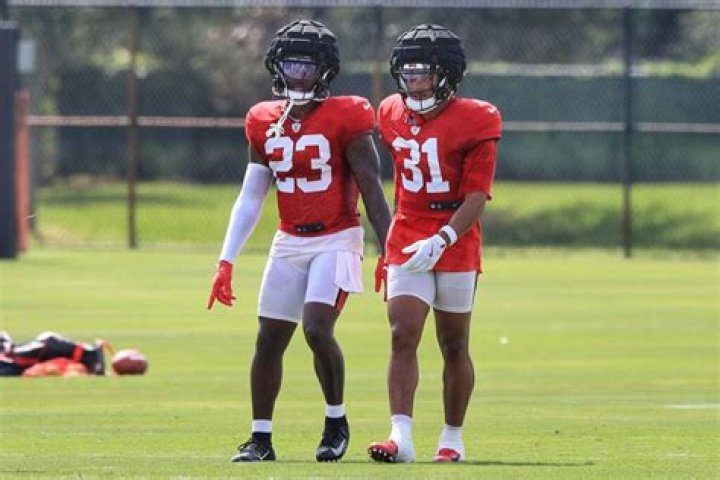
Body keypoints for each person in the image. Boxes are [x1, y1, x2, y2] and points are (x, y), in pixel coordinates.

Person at [207, 19, 391, 463]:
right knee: (269, 338)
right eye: (291, 64)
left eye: (307, 65)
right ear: (277, 67)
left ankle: (335, 422)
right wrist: (226, 260)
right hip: (288, 241)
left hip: (338, 237)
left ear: (325, 70)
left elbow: (372, 188)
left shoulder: (348, 114)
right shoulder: (262, 119)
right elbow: (251, 196)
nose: (299, 74)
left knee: (316, 328)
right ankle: (260, 438)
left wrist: (390, 250)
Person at [368, 24, 502, 463]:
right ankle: (400, 438)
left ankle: (452, 438)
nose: (413, 82)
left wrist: (443, 238)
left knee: (453, 343)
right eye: (407, 73)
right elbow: (400, 183)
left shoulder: (477, 118)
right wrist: (390, 243)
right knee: (402, 332)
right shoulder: (390, 111)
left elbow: (477, 196)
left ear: (446, 75)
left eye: (422, 73)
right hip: (408, 230)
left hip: (456, 234)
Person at [0, 331, 106, 376]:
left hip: (12, 357)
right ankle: (91, 356)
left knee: (46, 341)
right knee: (45, 343)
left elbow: (5, 340)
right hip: (12, 364)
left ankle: (90, 355)